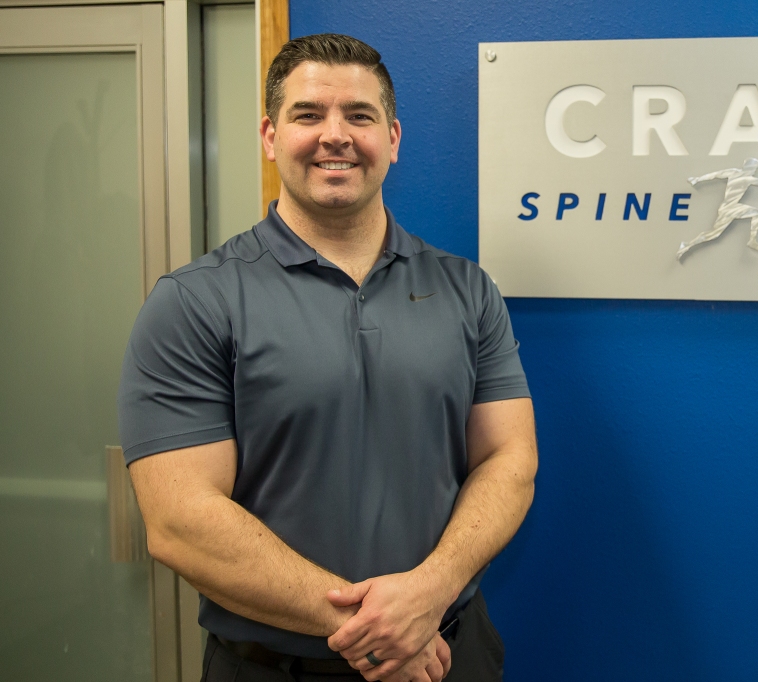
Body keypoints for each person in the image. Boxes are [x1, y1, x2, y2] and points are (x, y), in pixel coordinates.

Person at [117, 33, 537, 682]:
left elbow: (509, 460)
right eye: (308, 114)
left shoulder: (467, 290)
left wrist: (430, 592)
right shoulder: (195, 301)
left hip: (449, 656)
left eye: (359, 116)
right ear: (270, 136)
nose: (334, 135)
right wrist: (380, 630)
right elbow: (180, 521)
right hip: (278, 667)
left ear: (392, 139)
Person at [677, 158, 758, 260]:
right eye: (754, 168)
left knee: (715, 233)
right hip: (730, 208)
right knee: (714, 233)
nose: (754, 171)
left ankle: (752, 240)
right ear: (749, 167)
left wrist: (697, 179)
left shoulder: (736, 173)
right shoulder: (745, 177)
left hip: (728, 207)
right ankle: (686, 245)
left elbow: (715, 175)